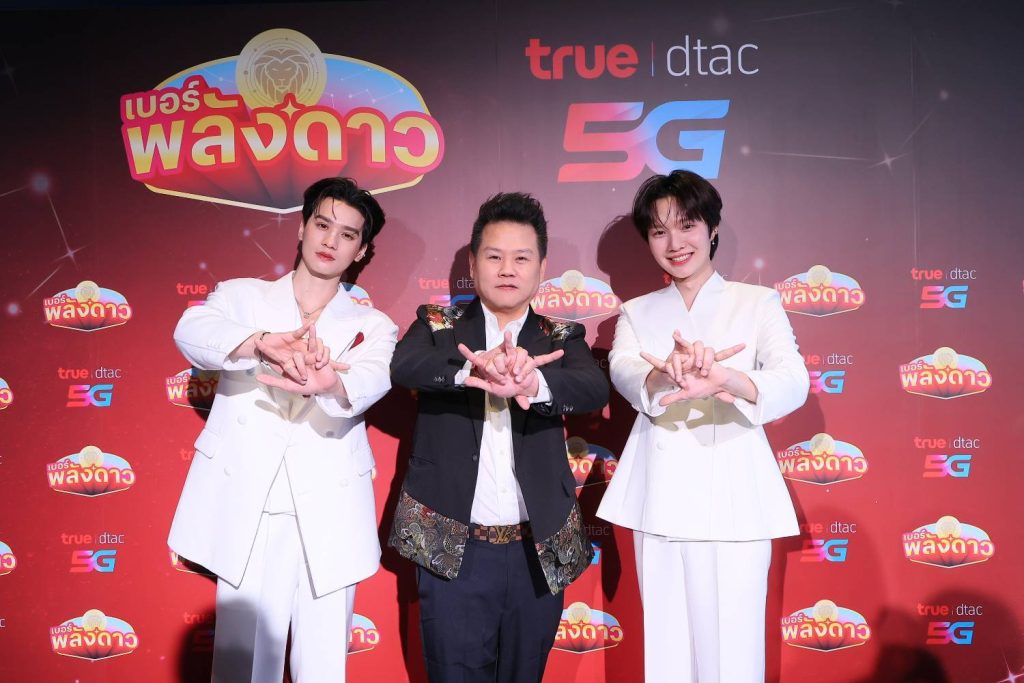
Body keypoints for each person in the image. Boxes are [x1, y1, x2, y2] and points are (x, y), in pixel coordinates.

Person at [168, 177, 398, 683]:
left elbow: (372, 379)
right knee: (242, 666)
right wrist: (259, 342)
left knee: (323, 668)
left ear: (361, 250)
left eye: (347, 235)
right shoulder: (241, 296)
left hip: (329, 507)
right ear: (302, 227)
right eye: (322, 225)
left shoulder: (375, 326)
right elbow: (190, 331)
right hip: (249, 503)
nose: (330, 241)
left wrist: (330, 383)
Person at [596, 170, 810, 682]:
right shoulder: (637, 313)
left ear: (712, 228)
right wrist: (662, 373)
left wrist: (728, 379)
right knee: (666, 654)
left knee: (734, 654)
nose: (675, 243)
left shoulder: (756, 303)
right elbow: (625, 372)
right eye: (659, 231)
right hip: (660, 496)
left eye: (687, 226)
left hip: (736, 495)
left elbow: (793, 379)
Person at [388, 192, 608, 683]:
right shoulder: (437, 324)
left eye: (521, 258)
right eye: (494, 256)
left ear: (541, 268)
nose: (507, 269)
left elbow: (592, 388)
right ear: (473, 263)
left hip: (539, 550)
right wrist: (470, 369)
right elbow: (404, 366)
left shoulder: (560, 336)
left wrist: (534, 383)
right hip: (452, 547)